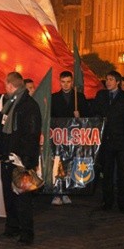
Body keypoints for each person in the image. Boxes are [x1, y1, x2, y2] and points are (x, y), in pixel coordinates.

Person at [0, 72, 42, 246]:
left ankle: (27, 232)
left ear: (11, 86)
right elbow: (3, 126)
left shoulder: (29, 106)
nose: (5, 89)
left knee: (23, 197)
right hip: (7, 157)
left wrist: (26, 159)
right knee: (9, 195)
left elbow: (32, 134)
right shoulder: (10, 104)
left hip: (20, 159)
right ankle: (12, 227)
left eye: (6, 86)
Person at [94, 71, 124, 213]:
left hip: (122, 141)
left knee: (122, 173)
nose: (108, 82)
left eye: (111, 79)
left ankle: (123, 203)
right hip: (106, 141)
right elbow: (95, 113)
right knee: (107, 173)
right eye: (107, 79)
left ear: (117, 82)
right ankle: (107, 202)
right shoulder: (101, 96)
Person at [50, 70, 91, 205]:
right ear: (59, 82)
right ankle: (57, 192)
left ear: (72, 82)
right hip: (58, 137)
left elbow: (87, 118)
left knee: (69, 164)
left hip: (73, 138)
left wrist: (80, 115)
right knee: (58, 164)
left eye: (68, 82)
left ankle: (66, 191)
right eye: (63, 82)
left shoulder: (79, 97)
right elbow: (50, 117)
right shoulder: (54, 98)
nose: (66, 85)